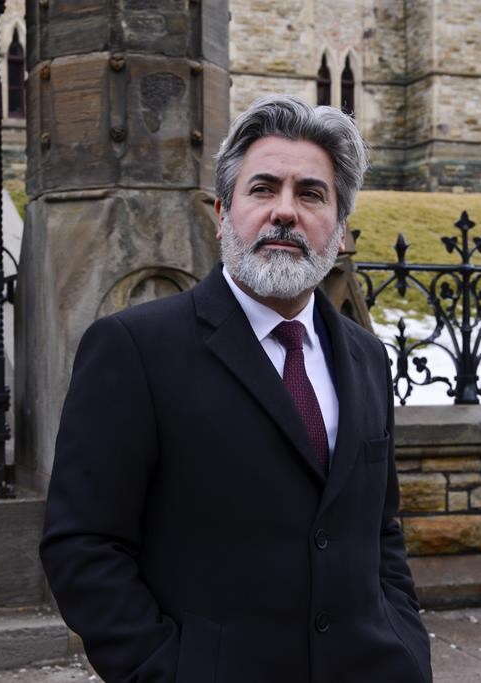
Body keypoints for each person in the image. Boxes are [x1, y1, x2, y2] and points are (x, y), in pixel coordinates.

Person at [40, 95, 432, 683]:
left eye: (310, 194)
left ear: (340, 227)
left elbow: (379, 529)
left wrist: (405, 646)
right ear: (223, 214)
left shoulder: (366, 356)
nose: (284, 212)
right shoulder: (135, 349)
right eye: (263, 188)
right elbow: (83, 546)